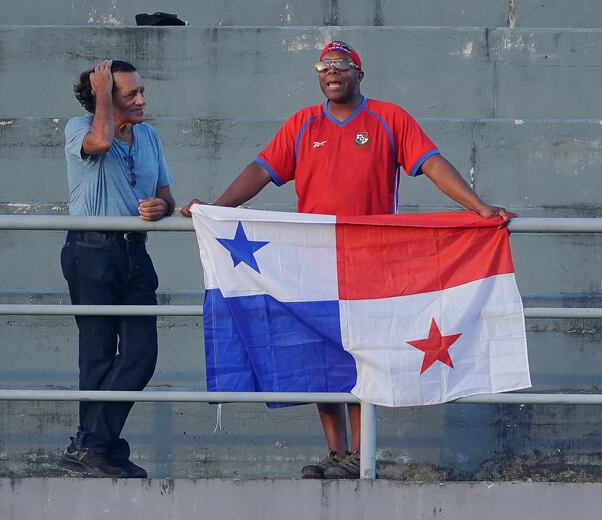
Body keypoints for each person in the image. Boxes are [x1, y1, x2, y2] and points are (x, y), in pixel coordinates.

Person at [181, 41, 509, 479]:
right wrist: (219, 209)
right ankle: (337, 453)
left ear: (359, 72)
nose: (331, 72)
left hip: (370, 261)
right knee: (320, 356)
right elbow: (262, 170)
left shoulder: (389, 118)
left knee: (362, 354)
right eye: (324, 66)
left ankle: (362, 452)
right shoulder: (302, 123)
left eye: (340, 65)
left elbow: (431, 164)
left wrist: (479, 207)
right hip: (312, 262)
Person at [57, 59, 175, 478]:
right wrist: (103, 92)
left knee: (141, 357)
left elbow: (166, 196)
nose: (142, 100)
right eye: (131, 94)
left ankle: (91, 445)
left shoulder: (151, 136)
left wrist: (162, 207)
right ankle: (98, 448)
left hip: (135, 254)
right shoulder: (78, 128)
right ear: (105, 97)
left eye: (141, 91)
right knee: (98, 358)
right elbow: (100, 141)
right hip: (90, 251)